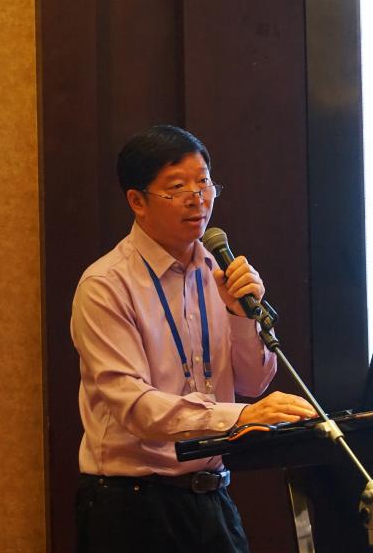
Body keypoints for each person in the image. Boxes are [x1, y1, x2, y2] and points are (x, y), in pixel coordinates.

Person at [71, 125, 316, 552]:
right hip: (131, 506)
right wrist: (240, 417)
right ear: (137, 201)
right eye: (177, 187)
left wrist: (241, 315)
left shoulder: (220, 272)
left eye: (204, 182)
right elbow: (135, 408)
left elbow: (254, 382)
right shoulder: (106, 285)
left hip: (212, 497)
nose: (197, 198)